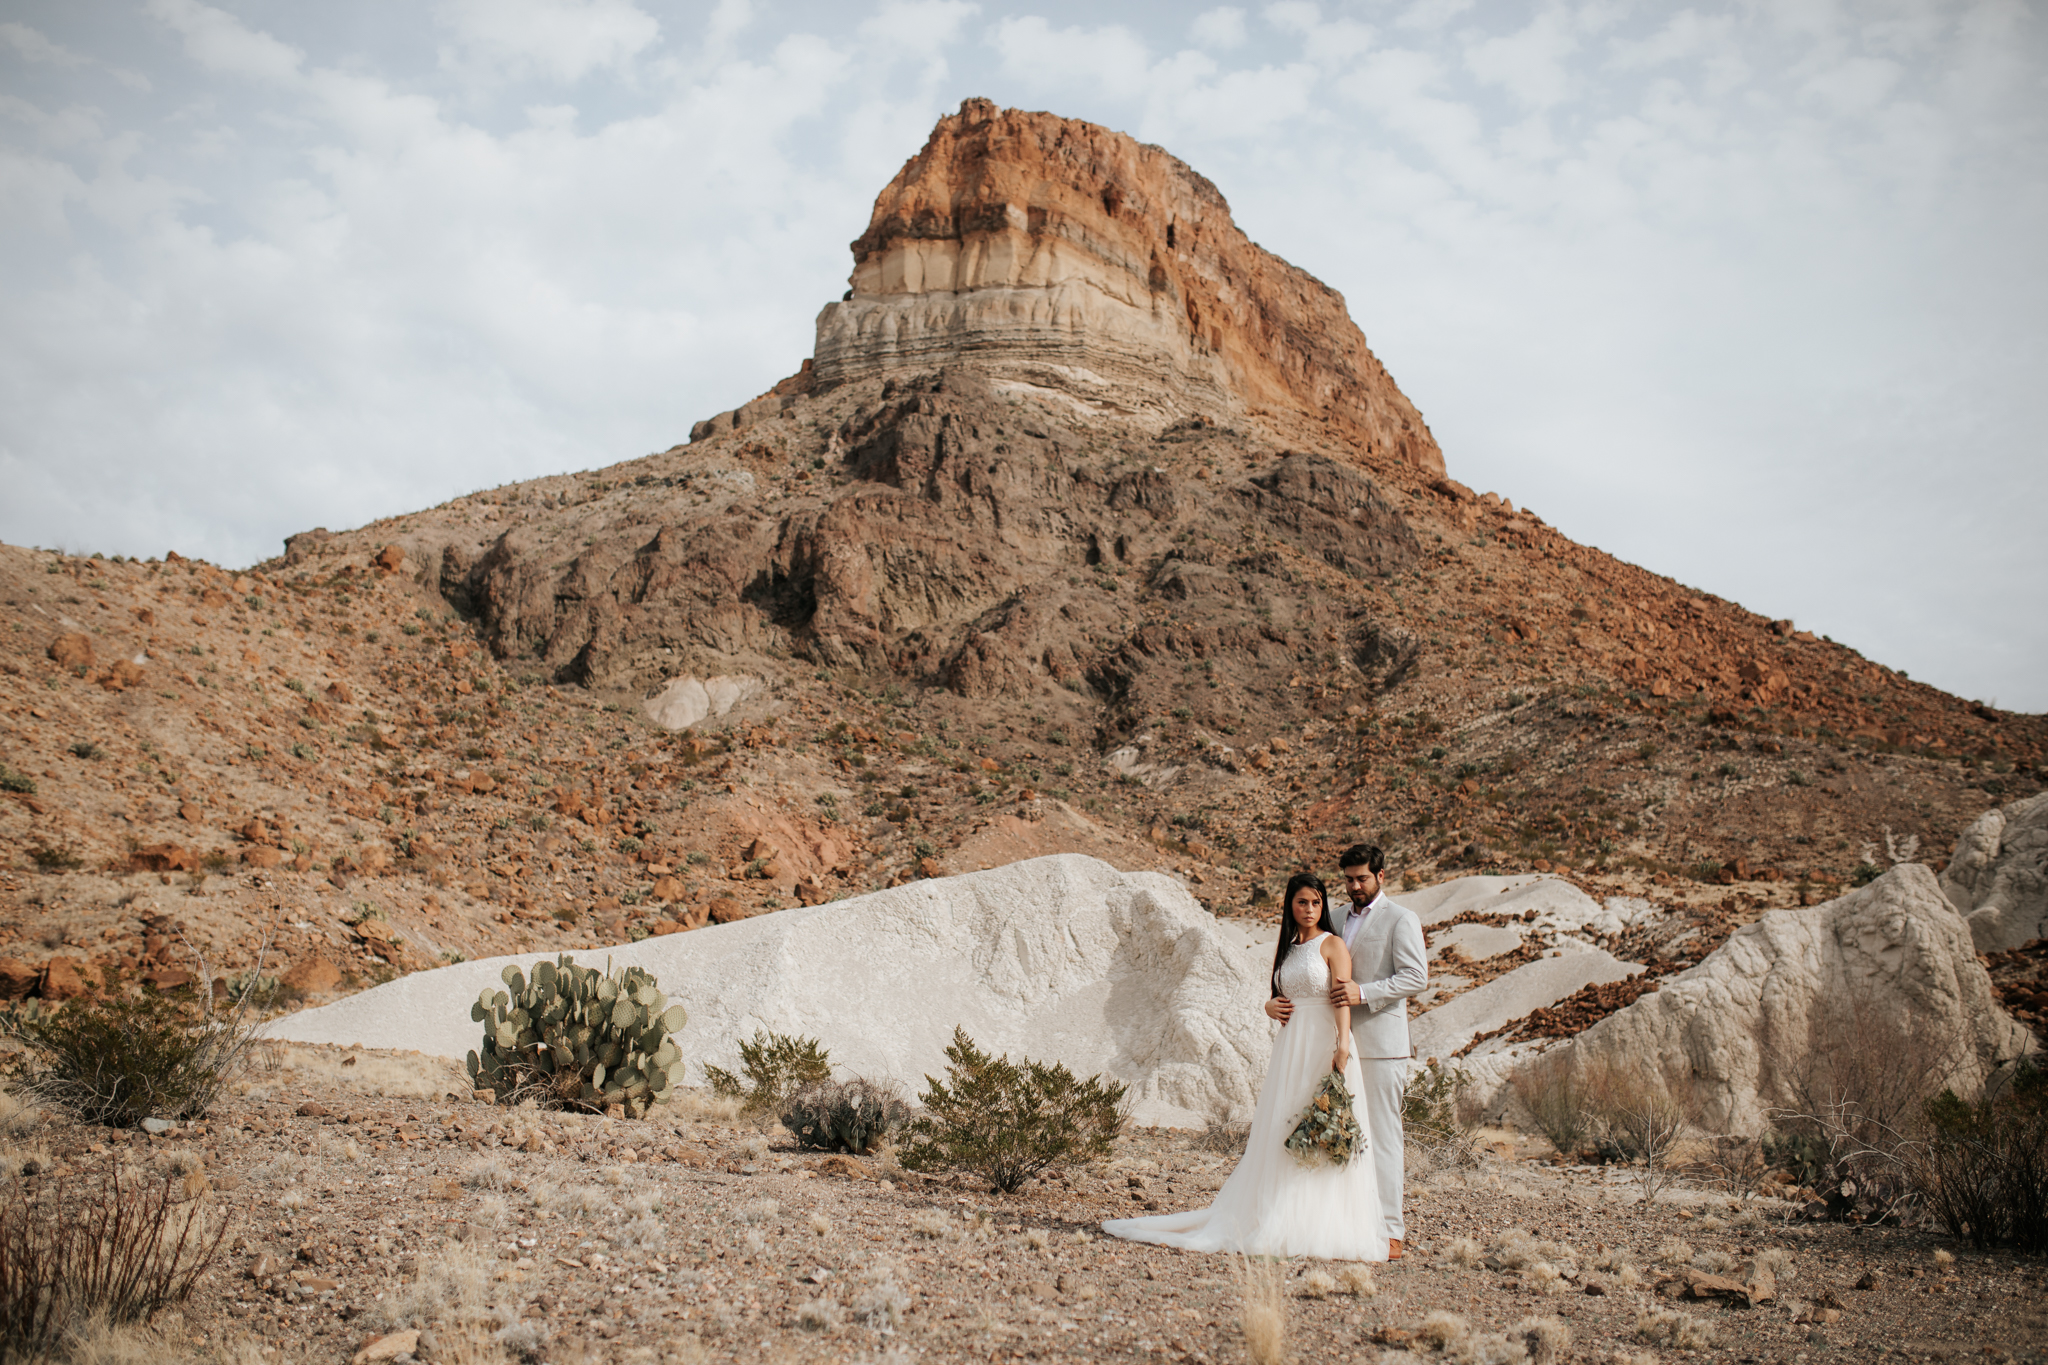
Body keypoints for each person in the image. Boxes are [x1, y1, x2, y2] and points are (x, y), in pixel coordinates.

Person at [1101, 873, 1388, 1261]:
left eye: (1316, 903)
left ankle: (1319, 1221)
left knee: (1323, 1128)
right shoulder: (1288, 948)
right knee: (1284, 1125)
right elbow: (1280, 995)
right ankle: (1275, 1214)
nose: (1309, 910)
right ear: (1290, 904)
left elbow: (1340, 997)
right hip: (1291, 1046)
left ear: (1323, 906)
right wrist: (1269, 1006)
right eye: (1302, 902)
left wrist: (1341, 1045)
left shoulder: (1332, 944)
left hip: (1324, 1043)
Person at [1321, 842, 1427, 1259]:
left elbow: (1416, 977)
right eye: (1348, 879)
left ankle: (1390, 1232)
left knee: (1384, 1138)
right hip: (1338, 1044)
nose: (1354, 886)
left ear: (1381, 876)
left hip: (1382, 1046)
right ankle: (1342, 1224)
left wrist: (1363, 992)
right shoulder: (1333, 918)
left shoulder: (1402, 919)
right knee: (1339, 1134)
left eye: (1361, 878)